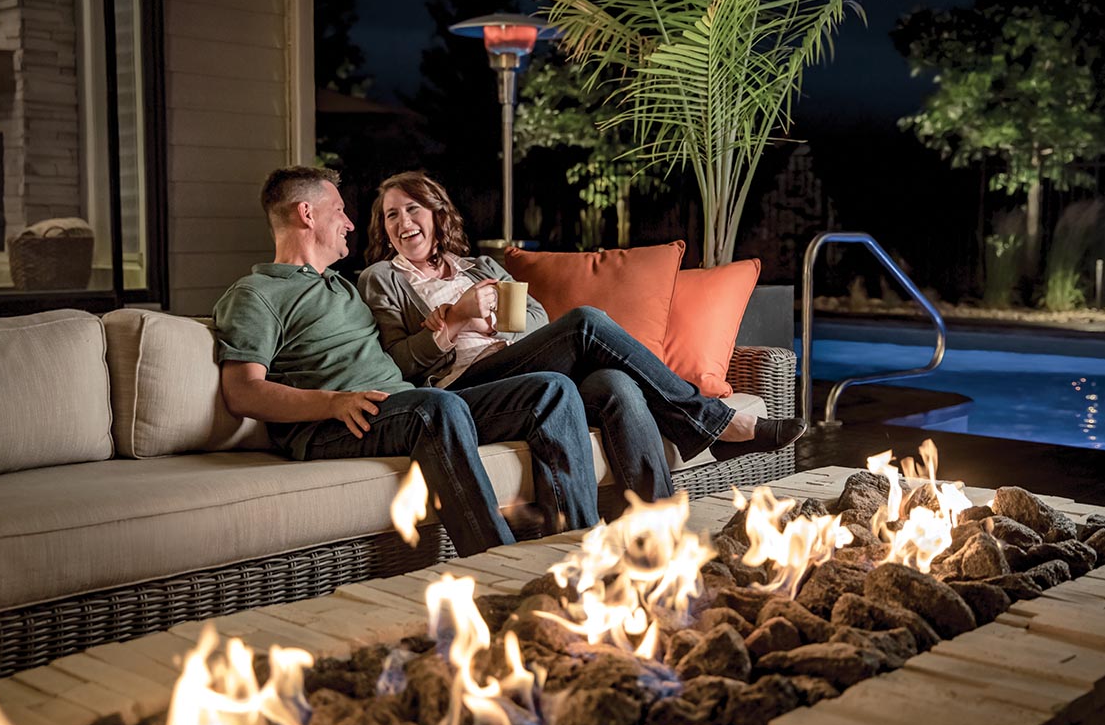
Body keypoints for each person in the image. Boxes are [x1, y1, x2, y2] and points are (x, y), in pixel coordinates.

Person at [212, 166, 601, 556]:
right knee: (437, 407)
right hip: (337, 422)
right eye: (339, 210)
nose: (350, 223)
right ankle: (496, 561)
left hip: (404, 408)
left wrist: (447, 322)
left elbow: (402, 350)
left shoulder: (342, 288)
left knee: (551, 390)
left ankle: (577, 555)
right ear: (307, 214)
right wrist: (332, 402)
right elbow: (242, 391)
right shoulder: (256, 293)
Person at [357, 171, 805, 506]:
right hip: (465, 385)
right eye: (391, 215)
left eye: (412, 209)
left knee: (615, 384)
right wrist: (454, 322)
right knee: (586, 322)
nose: (403, 222)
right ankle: (714, 421)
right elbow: (398, 362)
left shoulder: (481, 267)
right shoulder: (381, 279)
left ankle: (657, 525)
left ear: (437, 213)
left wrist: (491, 323)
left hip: (519, 362)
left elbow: (535, 317)